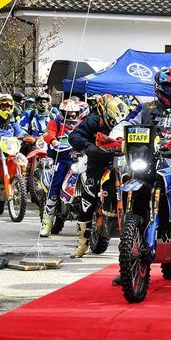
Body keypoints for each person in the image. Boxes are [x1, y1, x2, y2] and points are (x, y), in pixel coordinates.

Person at [110, 67, 171, 258]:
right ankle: (128, 242)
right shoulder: (144, 109)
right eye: (169, 87)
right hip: (145, 162)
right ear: (159, 88)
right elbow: (125, 123)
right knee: (124, 185)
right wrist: (117, 137)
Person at [68, 96, 129, 258]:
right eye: (113, 122)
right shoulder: (93, 121)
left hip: (121, 164)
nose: (116, 125)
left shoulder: (130, 122)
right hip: (97, 164)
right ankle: (82, 243)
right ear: (106, 115)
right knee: (87, 199)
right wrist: (89, 147)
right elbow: (73, 136)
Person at [39, 99, 88, 237]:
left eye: (74, 114)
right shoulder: (55, 122)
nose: (71, 117)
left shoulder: (81, 124)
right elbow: (49, 133)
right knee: (56, 184)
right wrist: (53, 141)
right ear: (62, 113)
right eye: (68, 114)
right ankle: (47, 223)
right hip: (61, 158)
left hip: (80, 157)